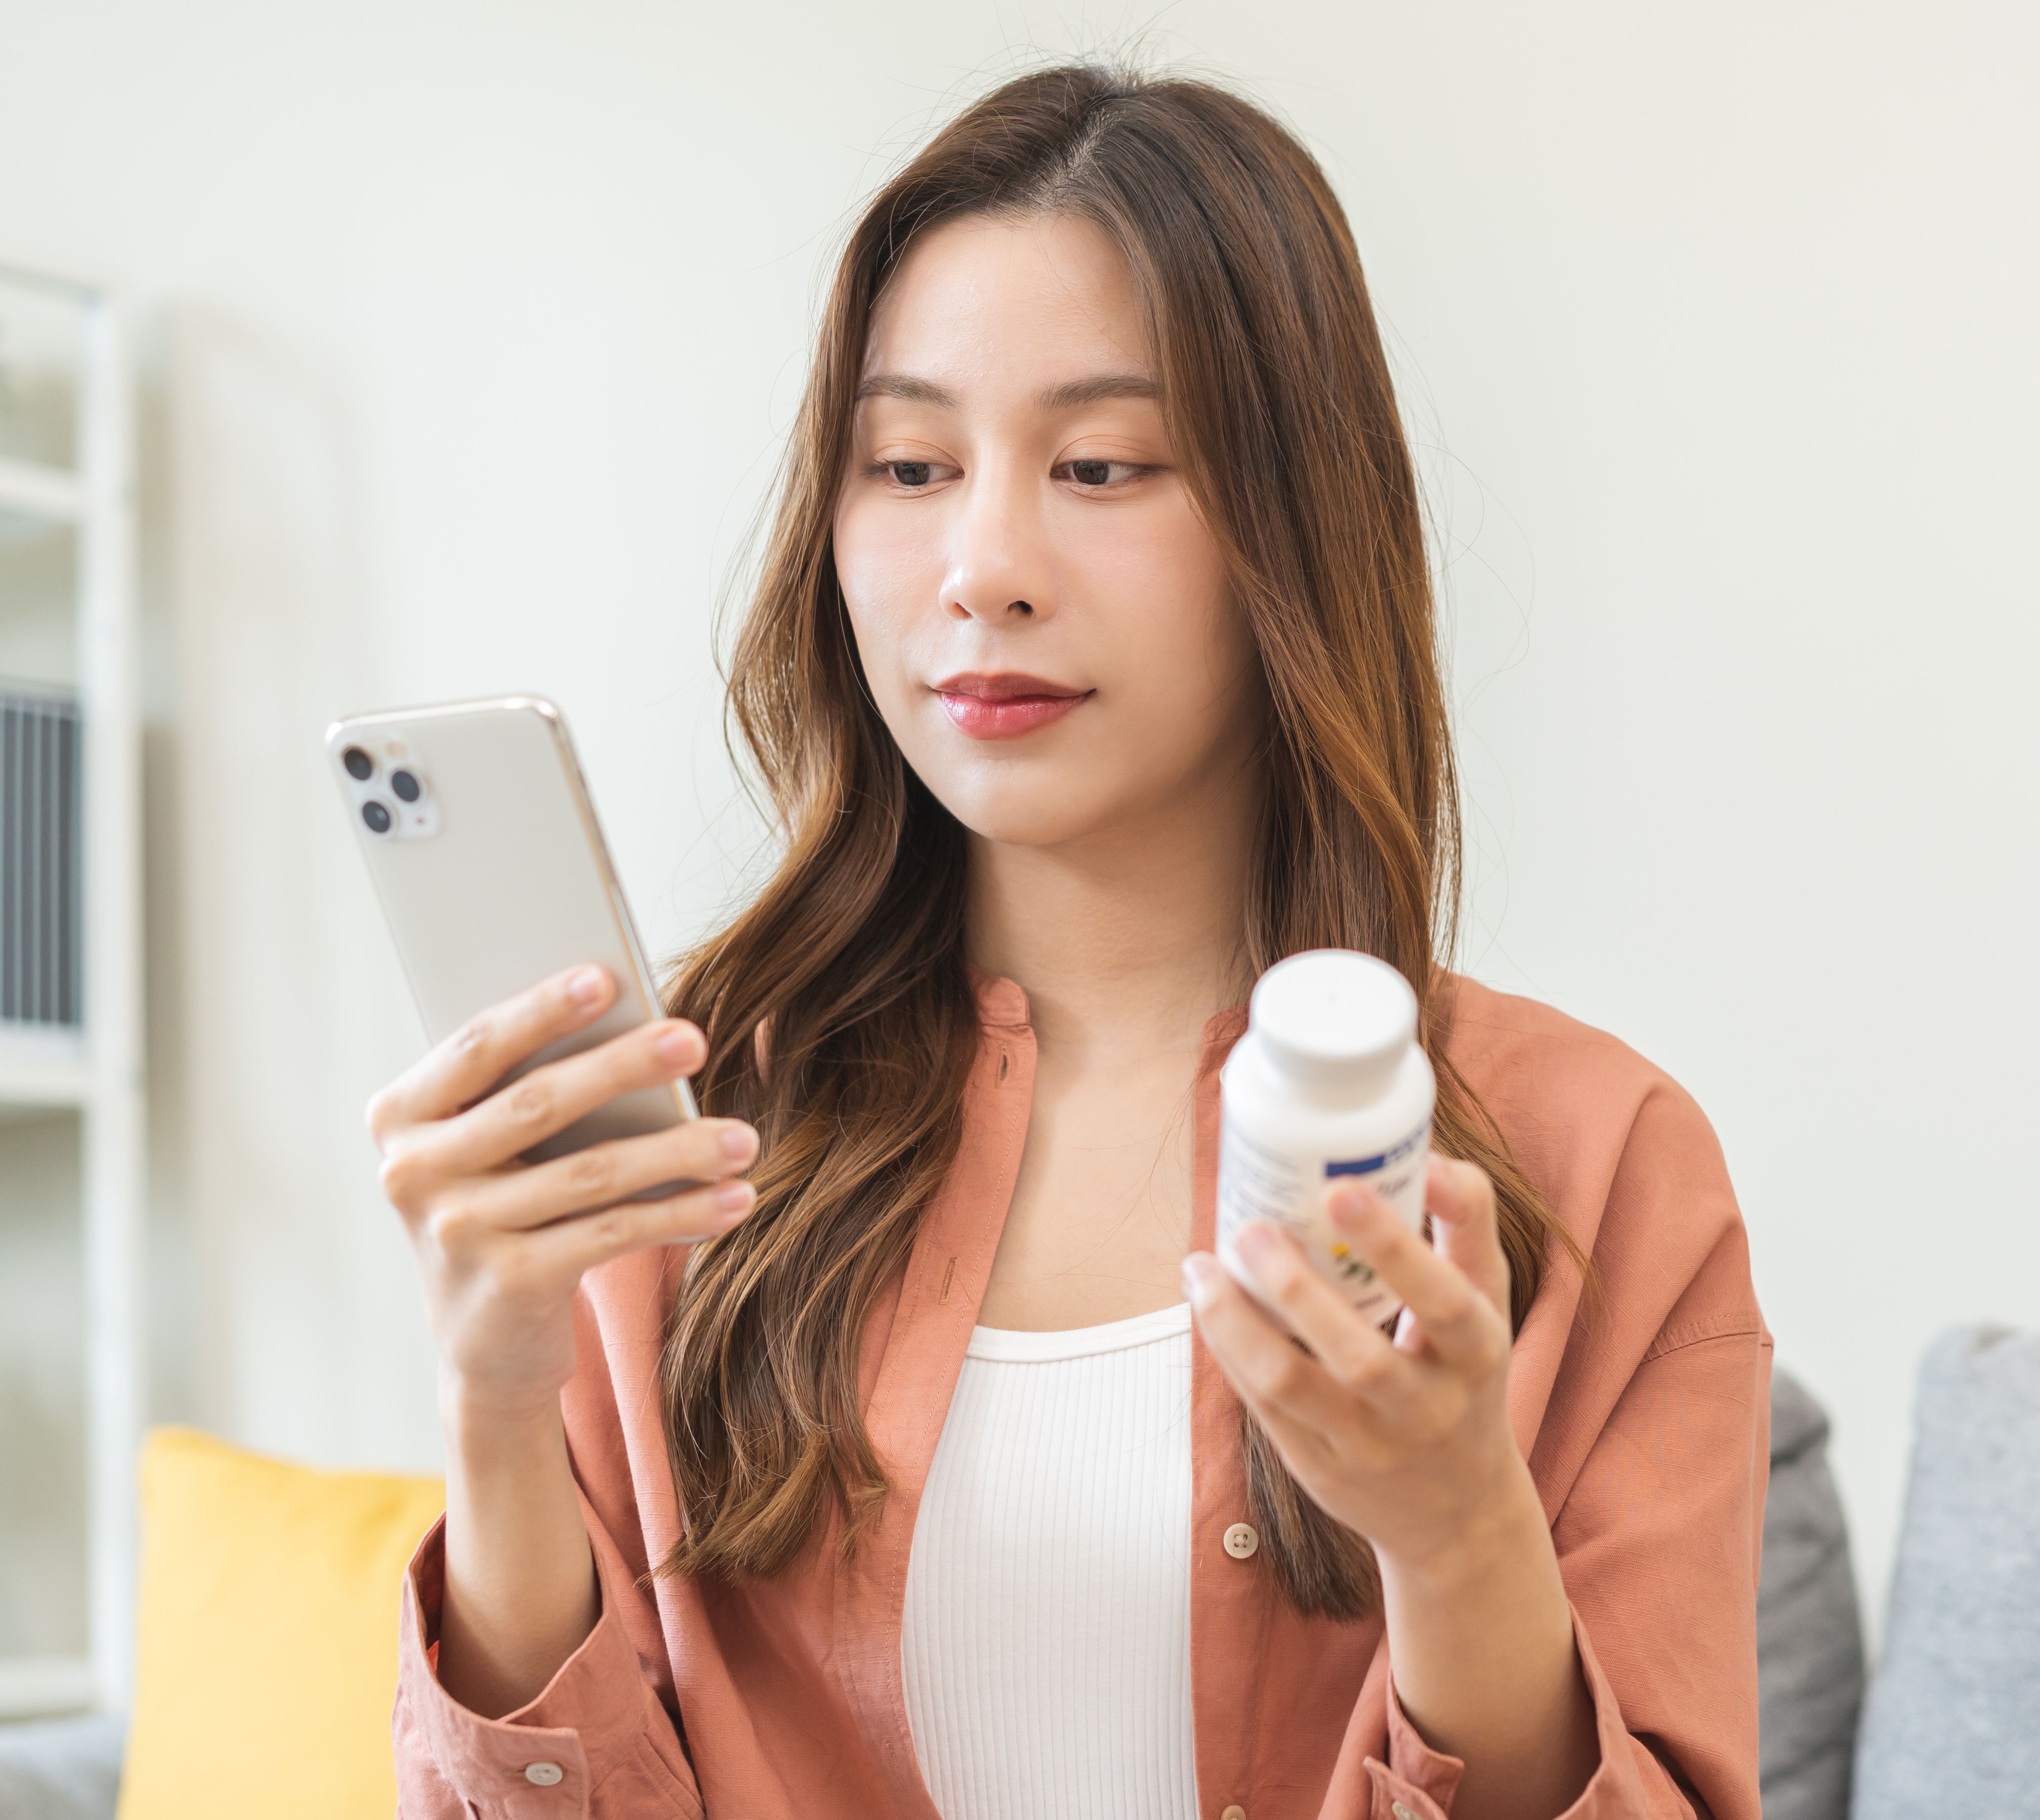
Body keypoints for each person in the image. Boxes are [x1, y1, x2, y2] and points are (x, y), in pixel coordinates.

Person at [374, 62, 1766, 1820]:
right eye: (907, 464)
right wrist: (492, 1415)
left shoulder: (1598, 1163)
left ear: (1293, 524)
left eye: (1100, 463)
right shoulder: (684, 1128)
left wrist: (1459, 1534)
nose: (983, 564)